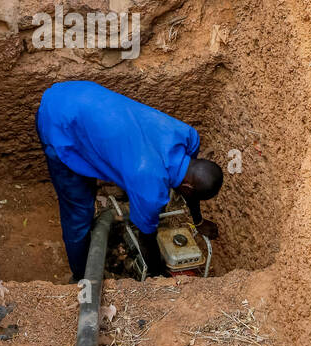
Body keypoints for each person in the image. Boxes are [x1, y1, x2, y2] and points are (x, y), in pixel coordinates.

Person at [36, 80, 223, 280]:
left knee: (95, 172)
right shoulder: (150, 187)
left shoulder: (188, 136)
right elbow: (146, 237)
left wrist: (198, 221)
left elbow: (191, 183)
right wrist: (158, 272)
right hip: (58, 122)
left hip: (79, 93)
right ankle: (82, 278)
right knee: (79, 211)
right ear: (187, 187)